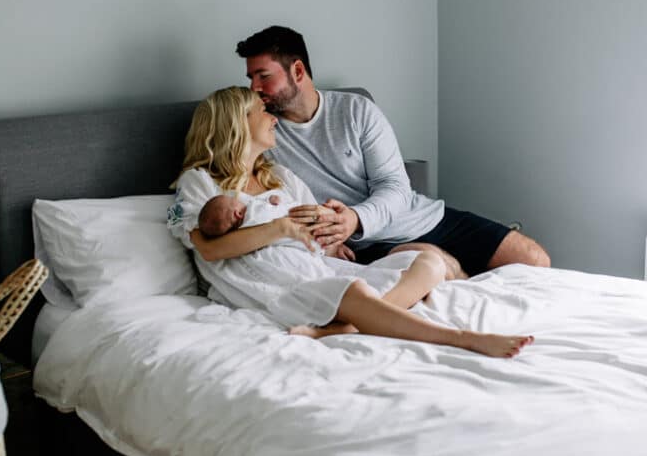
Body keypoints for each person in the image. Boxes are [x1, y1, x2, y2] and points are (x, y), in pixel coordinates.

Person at [168, 86, 533, 358]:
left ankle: (344, 328)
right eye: (261, 112)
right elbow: (209, 249)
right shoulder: (200, 182)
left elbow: (311, 226)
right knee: (353, 292)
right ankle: (464, 339)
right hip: (264, 273)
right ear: (236, 124)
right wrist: (279, 229)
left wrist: (330, 232)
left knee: (429, 262)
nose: (273, 117)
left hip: (310, 262)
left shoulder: (281, 176)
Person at [236, 25, 552, 278]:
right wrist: (328, 240)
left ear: (298, 71)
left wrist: (356, 218)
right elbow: (264, 203)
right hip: (368, 247)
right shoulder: (261, 132)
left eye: (264, 76)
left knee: (535, 260)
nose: (254, 88)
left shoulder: (355, 110)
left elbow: (396, 187)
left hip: (416, 216)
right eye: (251, 78)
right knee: (444, 274)